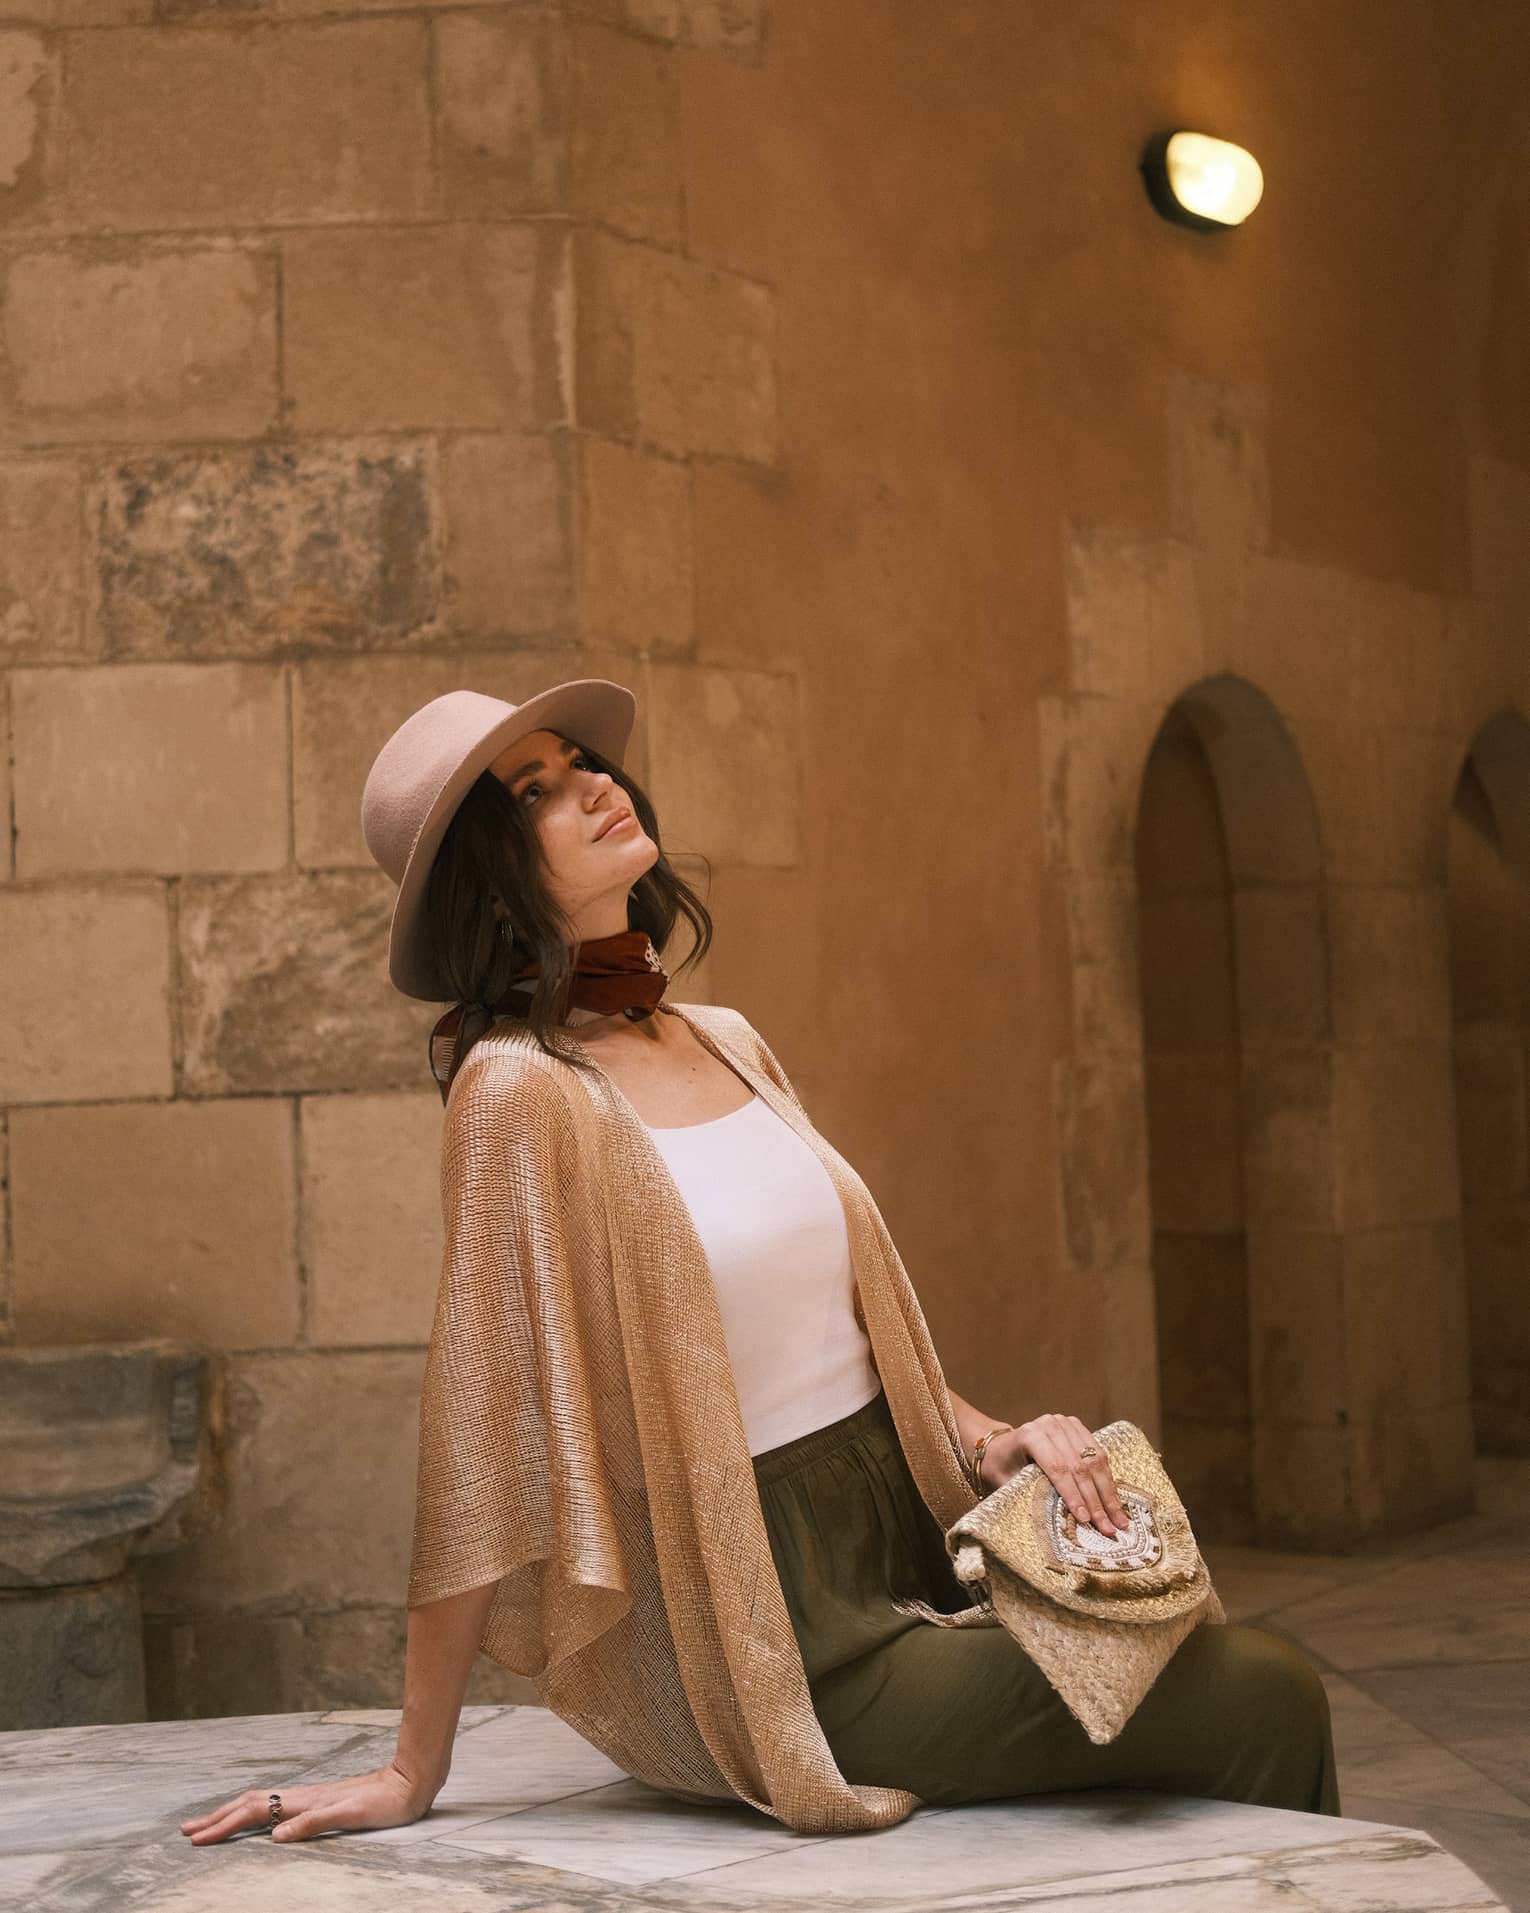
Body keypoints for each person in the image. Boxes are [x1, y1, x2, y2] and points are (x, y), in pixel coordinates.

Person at [181, 678, 1339, 1848]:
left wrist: (994, 1437)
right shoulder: (518, 1090)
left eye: (584, 759)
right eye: (536, 788)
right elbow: (482, 1435)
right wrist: (409, 1764)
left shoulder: (724, 1036)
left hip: (913, 1536)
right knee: (1262, 1691)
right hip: (772, 1627)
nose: (593, 782)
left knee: (1186, 1639)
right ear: (490, 872)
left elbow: (835, 1332)